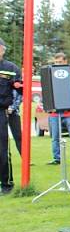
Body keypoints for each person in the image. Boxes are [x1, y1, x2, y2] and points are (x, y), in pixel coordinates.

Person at [46, 53, 70, 166]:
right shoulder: (50, 75)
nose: (57, 64)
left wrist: (69, 105)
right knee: (55, 138)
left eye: (60, 62)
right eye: (56, 62)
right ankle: (57, 158)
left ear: (65, 62)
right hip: (54, 114)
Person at [0, 38, 22, 195]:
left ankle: (6, 184)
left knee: (2, 149)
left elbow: (20, 90)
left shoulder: (10, 68)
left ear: (3, 50)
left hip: (3, 111)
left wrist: (12, 107)